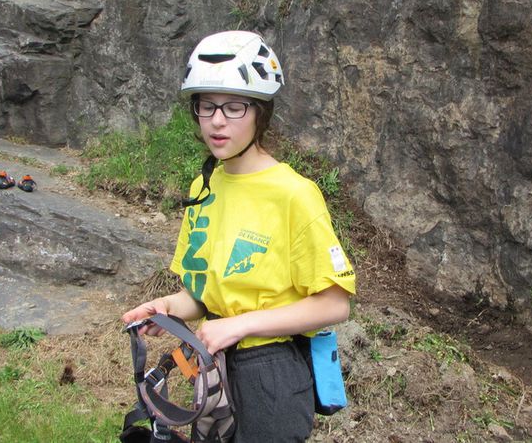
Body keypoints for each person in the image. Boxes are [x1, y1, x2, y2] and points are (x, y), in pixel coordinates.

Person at [121, 30, 356, 442]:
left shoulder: (293, 194)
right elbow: (203, 294)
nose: (216, 121)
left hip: (272, 373)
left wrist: (239, 326)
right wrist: (165, 308)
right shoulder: (205, 187)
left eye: (234, 107)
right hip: (215, 365)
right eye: (206, 106)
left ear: (260, 113)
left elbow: (334, 303)